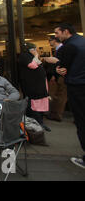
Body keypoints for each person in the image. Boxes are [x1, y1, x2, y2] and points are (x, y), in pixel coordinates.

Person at [53, 23, 85, 169]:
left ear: (66, 32)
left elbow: (62, 67)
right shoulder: (82, 41)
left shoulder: (70, 47)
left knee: (81, 121)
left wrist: (58, 69)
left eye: (57, 33)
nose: (56, 36)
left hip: (77, 86)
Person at [18, 43, 50, 132]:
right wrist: (36, 55)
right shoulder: (24, 56)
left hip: (39, 85)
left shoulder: (30, 56)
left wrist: (36, 57)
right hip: (32, 86)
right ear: (31, 50)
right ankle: (37, 124)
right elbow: (32, 65)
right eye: (34, 49)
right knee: (33, 105)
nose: (36, 51)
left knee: (40, 103)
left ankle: (41, 122)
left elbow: (38, 63)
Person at [44, 36, 67, 122]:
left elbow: (62, 63)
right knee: (59, 95)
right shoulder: (59, 49)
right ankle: (55, 113)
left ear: (54, 41)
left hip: (61, 76)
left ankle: (57, 114)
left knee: (60, 95)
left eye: (50, 40)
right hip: (59, 76)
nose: (49, 42)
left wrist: (55, 75)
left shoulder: (62, 49)